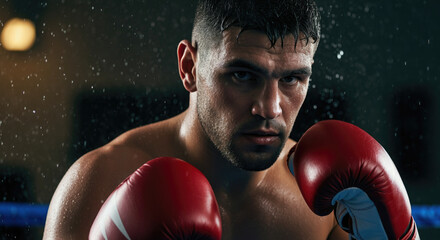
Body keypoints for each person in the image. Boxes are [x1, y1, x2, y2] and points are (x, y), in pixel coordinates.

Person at [43, 0, 418, 239]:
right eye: (242, 75)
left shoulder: (326, 205)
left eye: (291, 79)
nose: (270, 108)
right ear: (189, 67)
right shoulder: (100, 181)